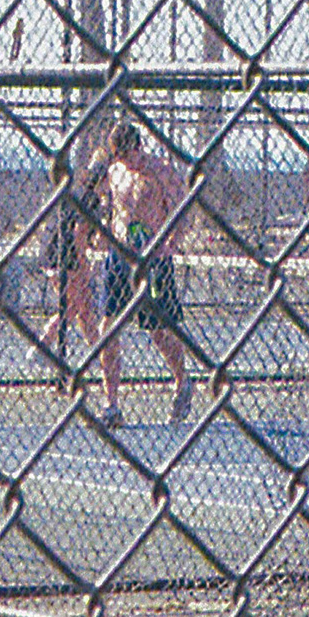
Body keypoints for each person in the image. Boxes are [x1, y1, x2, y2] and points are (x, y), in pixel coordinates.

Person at [89, 116, 194, 427]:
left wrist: (171, 243)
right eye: (119, 157)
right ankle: (111, 403)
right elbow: (111, 209)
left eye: (128, 155)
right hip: (120, 257)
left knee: (159, 331)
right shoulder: (115, 172)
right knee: (108, 327)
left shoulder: (161, 171)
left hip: (153, 259)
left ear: (138, 148)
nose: (126, 162)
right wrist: (103, 233)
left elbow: (181, 211)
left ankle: (182, 380)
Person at [49, 152, 101, 389]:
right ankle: (43, 344)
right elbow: (80, 234)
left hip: (58, 252)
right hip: (66, 256)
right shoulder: (91, 198)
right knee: (74, 305)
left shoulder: (78, 192)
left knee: (83, 308)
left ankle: (98, 353)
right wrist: (83, 266)